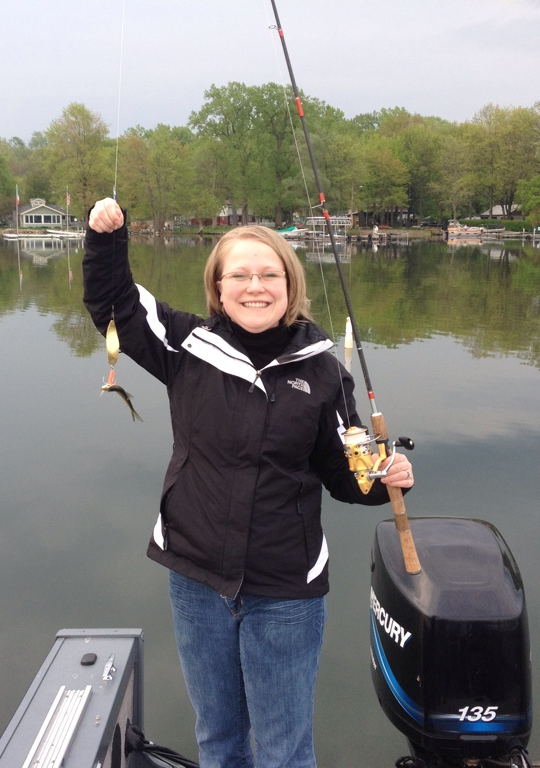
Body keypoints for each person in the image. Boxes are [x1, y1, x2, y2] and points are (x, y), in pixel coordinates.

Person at [83, 198, 414, 768]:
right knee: (218, 740)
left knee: (284, 752)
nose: (254, 287)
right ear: (218, 287)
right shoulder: (186, 344)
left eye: (269, 275)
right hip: (196, 578)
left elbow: (344, 474)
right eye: (238, 275)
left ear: (290, 284)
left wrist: (384, 479)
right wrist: (106, 237)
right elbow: (114, 305)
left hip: (285, 589)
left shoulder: (324, 372)